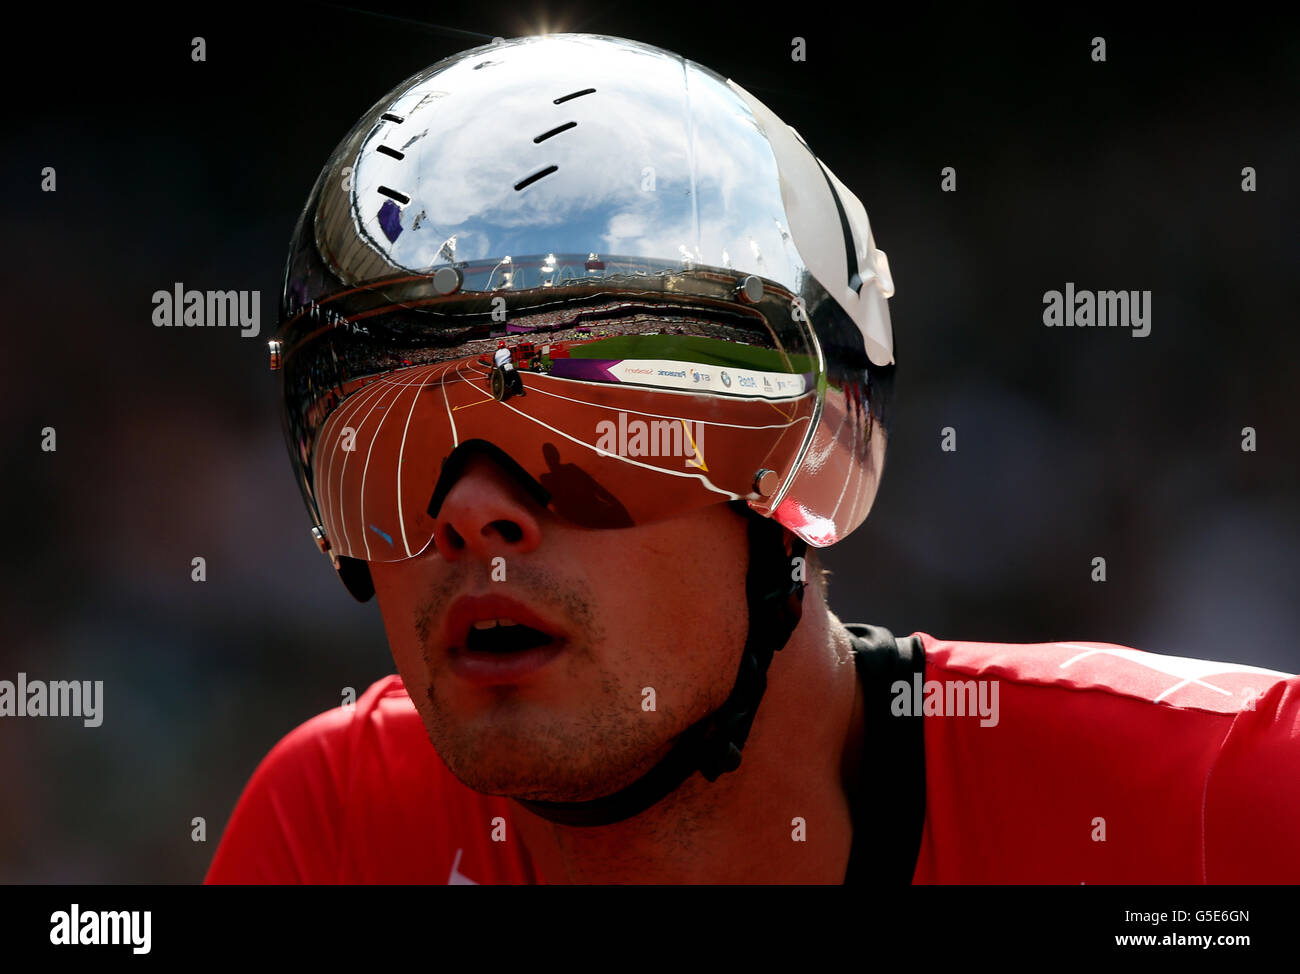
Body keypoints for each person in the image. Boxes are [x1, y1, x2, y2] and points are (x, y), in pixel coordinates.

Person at [206, 33, 1299, 885]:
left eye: (585, 430)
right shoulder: (336, 823)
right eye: (387, 447)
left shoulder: (1216, 797)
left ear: (803, 467)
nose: (473, 514)